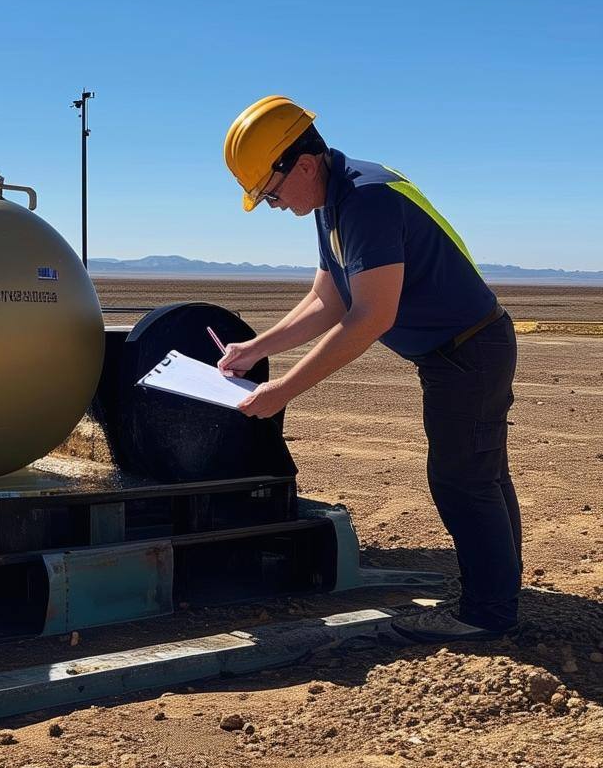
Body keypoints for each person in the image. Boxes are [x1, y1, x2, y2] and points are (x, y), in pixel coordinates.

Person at [220, 95, 520, 642]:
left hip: (468, 353)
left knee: (463, 480)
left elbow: (370, 316)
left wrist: (285, 389)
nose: (276, 205)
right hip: (461, 351)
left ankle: (488, 613)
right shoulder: (333, 200)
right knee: (479, 474)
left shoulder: (365, 200)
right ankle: (497, 597)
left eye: (271, 193)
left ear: (303, 165)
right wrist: (256, 348)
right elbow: (327, 299)